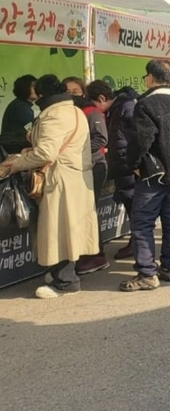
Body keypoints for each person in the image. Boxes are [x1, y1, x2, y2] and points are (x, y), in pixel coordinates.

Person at [0, 74, 98, 298]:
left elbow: (46, 152)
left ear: (43, 95)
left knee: (58, 229)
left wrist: (16, 164)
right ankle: (61, 274)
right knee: (69, 228)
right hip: (74, 177)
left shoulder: (53, 115)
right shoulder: (74, 110)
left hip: (59, 179)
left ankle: (66, 282)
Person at [122, 59, 170, 292]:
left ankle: (147, 272)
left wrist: (134, 164)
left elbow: (141, 140)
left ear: (150, 77)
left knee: (142, 223)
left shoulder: (146, 105)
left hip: (152, 175)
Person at [74, 79, 114, 276]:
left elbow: (100, 139)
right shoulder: (83, 111)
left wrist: (76, 152)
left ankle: (96, 255)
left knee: (90, 211)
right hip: (87, 166)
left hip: (95, 166)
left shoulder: (93, 112)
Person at [106, 86, 139, 261]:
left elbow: (135, 137)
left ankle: (137, 245)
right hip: (124, 162)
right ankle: (136, 244)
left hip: (126, 164)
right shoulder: (122, 108)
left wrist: (133, 162)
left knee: (132, 204)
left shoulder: (125, 108)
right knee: (130, 203)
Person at [0, 74, 37, 153]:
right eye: (34, 86)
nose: (37, 89)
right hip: (14, 149)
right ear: (24, 88)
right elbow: (33, 132)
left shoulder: (19, 104)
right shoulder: (21, 107)